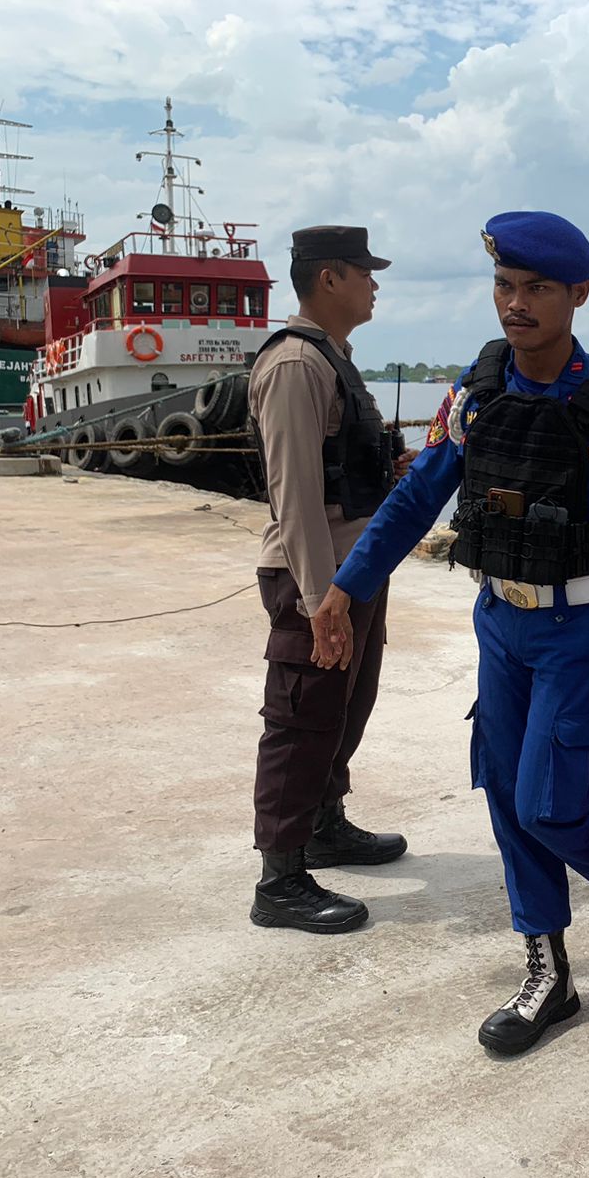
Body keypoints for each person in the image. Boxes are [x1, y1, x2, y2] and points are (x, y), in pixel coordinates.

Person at [311, 211, 589, 1055]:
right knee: (505, 793)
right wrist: (345, 591)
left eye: (536, 289)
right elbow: (418, 495)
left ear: (578, 295)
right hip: (499, 622)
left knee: (548, 802)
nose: (516, 304)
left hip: (584, 628)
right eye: (505, 286)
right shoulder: (479, 389)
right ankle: (548, 974)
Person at [246, 225, 412, 935]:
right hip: (314, 577)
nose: (374, 284)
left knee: (345, 708)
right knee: (301, 718)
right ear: (329, 279)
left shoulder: (333, 359)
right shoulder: (294, 365)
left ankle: (323, 824)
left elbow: (342, 473)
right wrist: (321, 603)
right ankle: (279, 879)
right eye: (364, 272)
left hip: (352, 571)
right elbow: (295, 493)